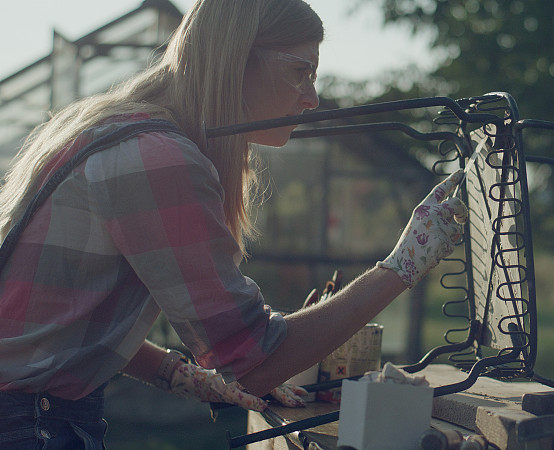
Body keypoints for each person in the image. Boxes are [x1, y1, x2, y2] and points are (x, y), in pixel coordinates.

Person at [0, 0, 467, 448]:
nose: (312, 97)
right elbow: (255, 362)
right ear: (236, 60)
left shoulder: (111, 128)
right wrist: (406, 262)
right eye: (299, 71)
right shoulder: (158, 158)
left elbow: (59, 322)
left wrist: (177, 373)